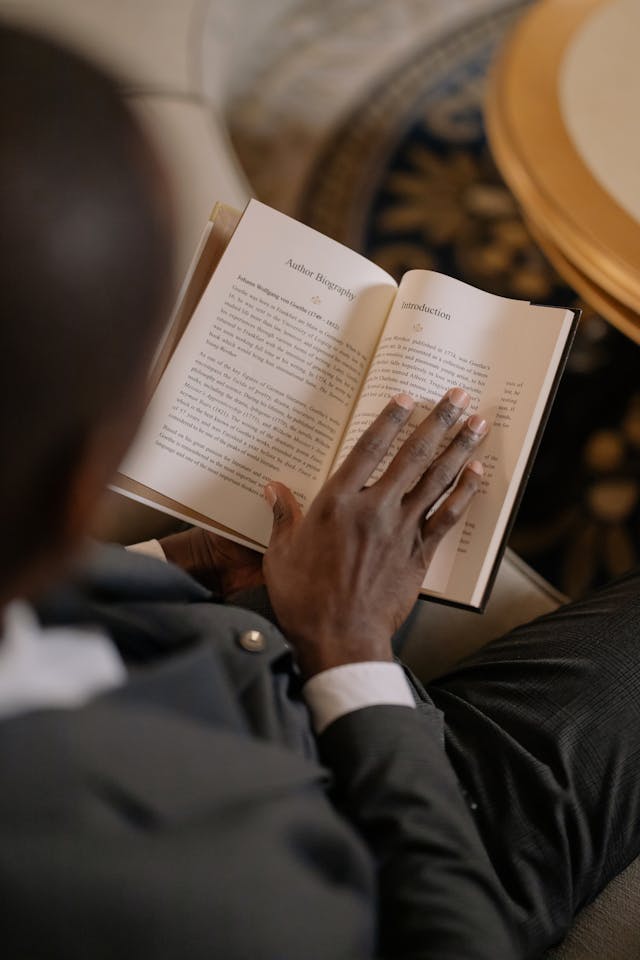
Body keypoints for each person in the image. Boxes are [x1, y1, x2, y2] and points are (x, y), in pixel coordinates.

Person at [0, 22, 638, 960]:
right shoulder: (183, 898)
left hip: (247, 645)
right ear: (81, 484)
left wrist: (181, 559)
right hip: (406, 836)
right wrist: (349, 651)